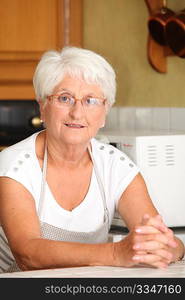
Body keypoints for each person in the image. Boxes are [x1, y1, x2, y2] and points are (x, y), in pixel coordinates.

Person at [0, 46, 184, 274]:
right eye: (65, 98)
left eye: (91, 100)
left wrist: (165, 246)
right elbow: (27, 253)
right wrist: (117, 253)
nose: (77, 113)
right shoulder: (13, 167)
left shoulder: (116, 166)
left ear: (105, 112)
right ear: (43, 106)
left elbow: (165, 240)